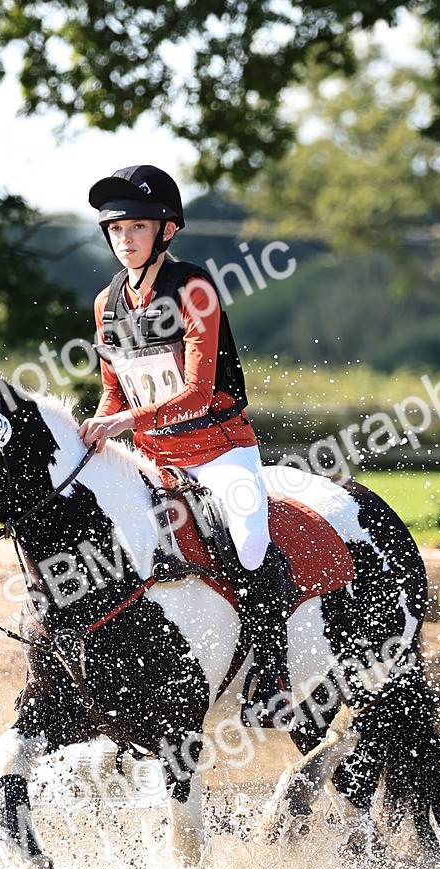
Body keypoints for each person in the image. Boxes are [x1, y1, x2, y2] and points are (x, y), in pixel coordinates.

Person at [79, 164, 292, 726]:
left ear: (166, 231)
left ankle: (271, 677)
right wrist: (95, 433)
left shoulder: (192, 288)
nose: (125, 240)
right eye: (116, 231)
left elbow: (197, 394)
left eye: (137, 229)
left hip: (218, 450)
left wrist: (122, 420)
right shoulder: (107, 304)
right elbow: (111, 392)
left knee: (248, 539)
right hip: (151, 458)